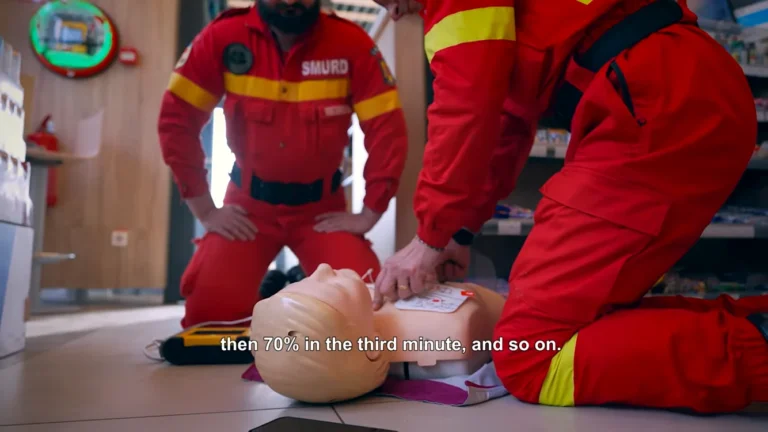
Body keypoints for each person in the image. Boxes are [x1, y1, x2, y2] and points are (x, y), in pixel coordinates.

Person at [372, 0, 768, 413]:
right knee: (583, 320)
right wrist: (457, 232)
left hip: (655, 101)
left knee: (530, 356)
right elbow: (504, 121)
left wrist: (430, 237)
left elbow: (467, 103)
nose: (393, 13)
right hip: (674, 87)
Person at [158, 0, 408, 328]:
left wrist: (370, 212)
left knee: (369, 309)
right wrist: (205, 209)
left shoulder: (351, 43)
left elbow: (387, 130)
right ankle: (276, 289)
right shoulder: (222, 37)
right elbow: (177, 120)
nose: (290, 2)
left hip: (320, 212)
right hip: (248, 209)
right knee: (210, 318)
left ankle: (295, 284)